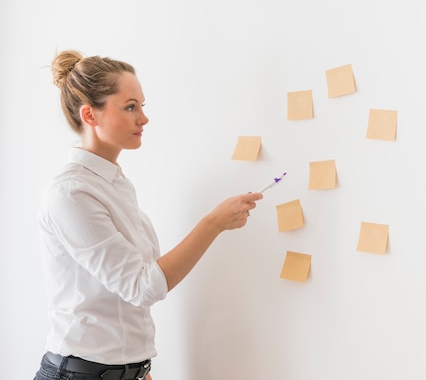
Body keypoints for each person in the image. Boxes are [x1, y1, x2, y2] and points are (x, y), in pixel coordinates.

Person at [33, 50, 263, 380]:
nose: (144, 118)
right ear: (90, 115)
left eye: (142, 105)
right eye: (130, 107)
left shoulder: (115, 183)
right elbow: (142, 286)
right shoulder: (71, 193)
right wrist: (213, 224)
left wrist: (138, 371)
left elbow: (130, 295)